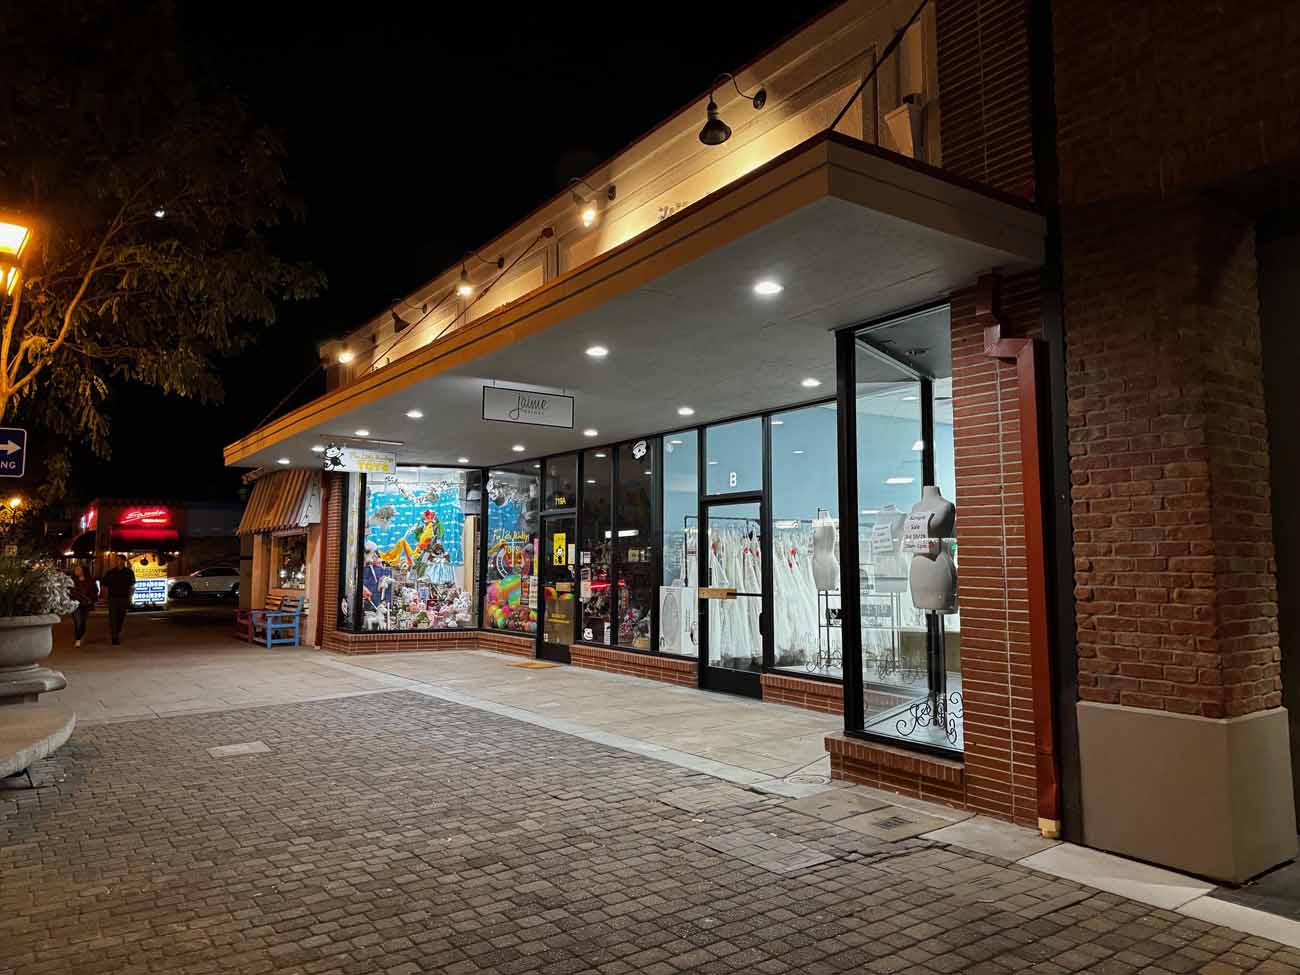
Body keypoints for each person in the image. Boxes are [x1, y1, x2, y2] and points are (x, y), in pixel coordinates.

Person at [101, 556, 136, 646]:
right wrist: (105, 597)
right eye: (117, 560)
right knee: (113, 617)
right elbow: (104, 584)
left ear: (124, 561)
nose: (118, 561)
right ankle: (114, 637)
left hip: (124, 598)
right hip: (113, 598)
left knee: (121, 617)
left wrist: (130, 597)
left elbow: (132, 586)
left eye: (120, 559)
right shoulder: (110, 572)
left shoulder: (129, 572)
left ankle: (117, 630)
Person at [68, 564, 98, 647]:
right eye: (76, 569)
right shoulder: (72, 580)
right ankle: (78, 639)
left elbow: (95, 592)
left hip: (85, 604)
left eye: (78, 569)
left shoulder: (90, 581)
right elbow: (68, 591)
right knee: (78, 622)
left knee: (83, 622)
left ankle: (80, 636)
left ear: (83, 571)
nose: (76, 570)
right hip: (75, 604)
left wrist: (91, 600)